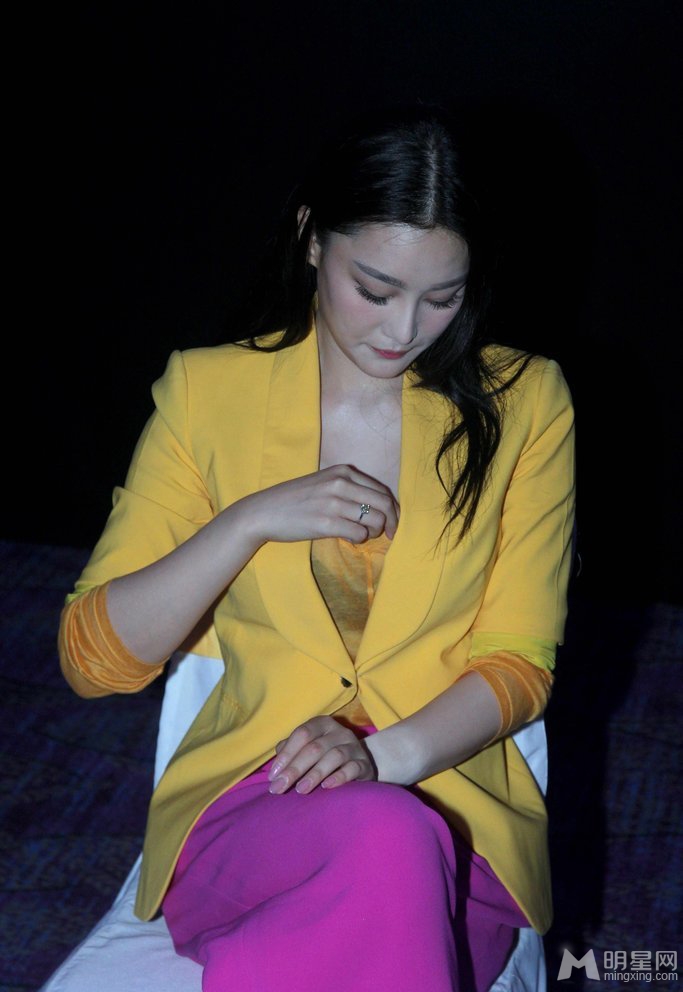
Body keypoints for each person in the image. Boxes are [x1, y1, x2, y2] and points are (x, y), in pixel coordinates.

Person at [58, 105, 576, 992]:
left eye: (441, 298)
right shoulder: (208, 393)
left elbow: (518, 663)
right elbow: (93, 661)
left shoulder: (525, 402)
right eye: (374, 289)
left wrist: (381, 760)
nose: (403, 329)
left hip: (450, 809)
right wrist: (248, 521)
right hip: (255, 806)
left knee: (392, 840)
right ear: (310, 239)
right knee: (387, 840)